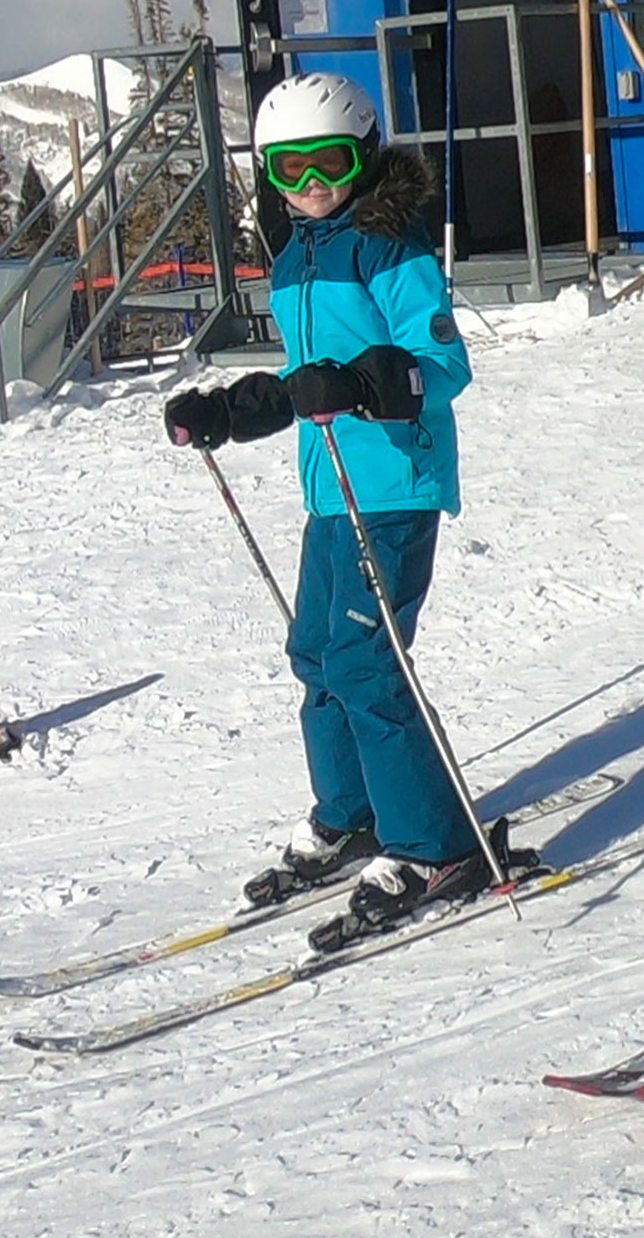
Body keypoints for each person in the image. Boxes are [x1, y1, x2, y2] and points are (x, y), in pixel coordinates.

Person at [162, 73, 498, 949]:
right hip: (330, 488)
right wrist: (236, 411)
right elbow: (306, 379)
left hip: (392, 484)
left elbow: (441, 368)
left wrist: (362, 385)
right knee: (314, 653)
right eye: (287, 167)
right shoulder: (295, 254)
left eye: (329, 161)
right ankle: (349, 813)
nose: (310, 181)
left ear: (365, 153)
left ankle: (434, 845)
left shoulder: (392, 246)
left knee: (362, 661)